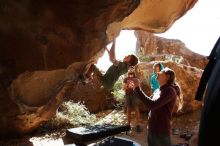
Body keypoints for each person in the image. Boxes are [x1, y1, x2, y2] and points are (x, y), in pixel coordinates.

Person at [129, 67, 181, 146]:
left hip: (161, 130)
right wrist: (135, 88)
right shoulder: (158, 90)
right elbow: (147, 103)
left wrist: (138, 88)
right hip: (152, 127)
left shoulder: (170, 90)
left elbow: (151, 105)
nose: (158, 73)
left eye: (161, 72)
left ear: (167, 76)